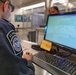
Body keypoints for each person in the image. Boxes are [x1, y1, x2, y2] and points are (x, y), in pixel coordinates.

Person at [0, 0, 35, 75]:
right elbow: (20, 72)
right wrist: (28, 61)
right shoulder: (3, 26)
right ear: (5, 6)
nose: (10, 14)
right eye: (11, 10)